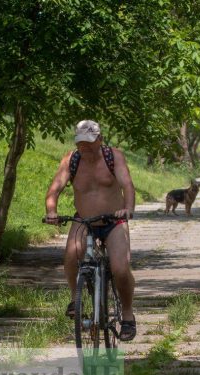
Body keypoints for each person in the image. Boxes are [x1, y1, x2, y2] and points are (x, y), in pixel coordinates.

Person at [45, 120, 137, 341]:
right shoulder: (71, 160)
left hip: (113, 220)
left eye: (89, 142)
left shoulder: (113, 157)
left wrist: (128, 209)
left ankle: (127, 314)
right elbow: (54, 189)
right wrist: (51, 210)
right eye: (80, 143)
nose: (84, 147)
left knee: (120, 268)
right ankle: (75, 299)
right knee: (70, 255)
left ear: (100, 139)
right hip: (84, 219)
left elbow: (127, 185)